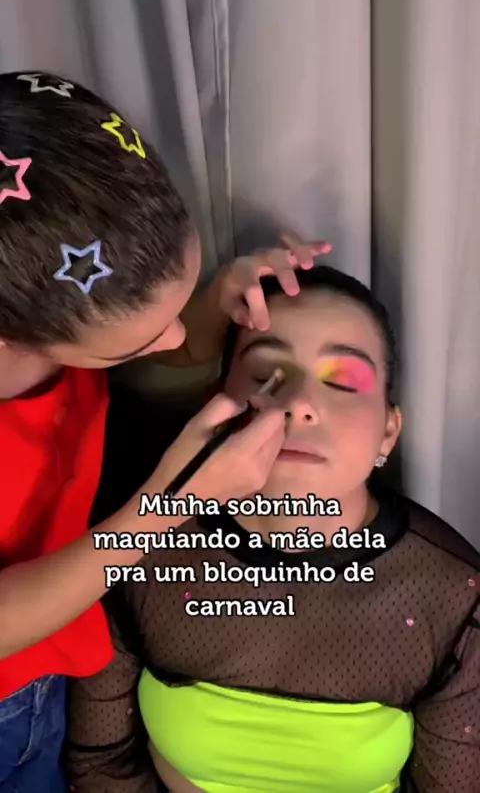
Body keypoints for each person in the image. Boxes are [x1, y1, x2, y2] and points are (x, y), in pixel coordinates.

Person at [0, 69, 328, 792]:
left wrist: (218, 305)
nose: (177, 338)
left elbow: (157, 348)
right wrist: (169, 506)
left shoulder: (53, 323)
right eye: (134, 343)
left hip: (48, 674)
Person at [66, 265, 480, 793]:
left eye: (342, 381)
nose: (300, 404)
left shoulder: (453, 595)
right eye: (265, 374)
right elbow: (99, 765)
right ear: (216, 407)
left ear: (388, 432)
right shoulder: (139, 548)